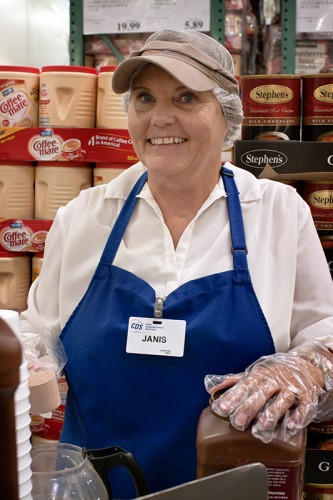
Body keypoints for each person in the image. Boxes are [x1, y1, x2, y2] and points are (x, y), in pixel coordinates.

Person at [21, 30, 333, 498]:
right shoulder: (84, 216)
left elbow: (324, 336)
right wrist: (25, 360)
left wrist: (306, 369)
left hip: (235, 486)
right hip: (98, 487)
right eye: (143, 98)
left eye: (186, 97)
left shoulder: (278, 212)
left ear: (227, 113)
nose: (159, 118)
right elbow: (38, 334)